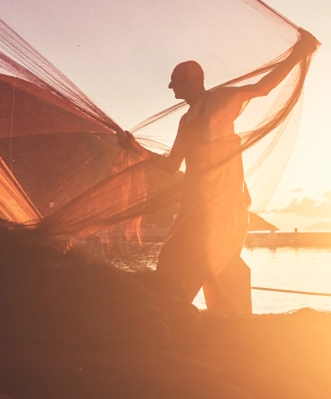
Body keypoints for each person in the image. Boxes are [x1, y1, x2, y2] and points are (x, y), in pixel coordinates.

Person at [124, 34, 314, 314]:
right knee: (186, 254)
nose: (171, 87)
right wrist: (135, 148)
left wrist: (298, 54)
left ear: (192, 80)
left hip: (223, 196)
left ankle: (223, 318)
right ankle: (186, 311)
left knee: (217, 255)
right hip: (195, 199)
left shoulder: (222, 100)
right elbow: (172, 165)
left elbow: (263, 87)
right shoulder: (186, 119)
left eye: (175, 81)